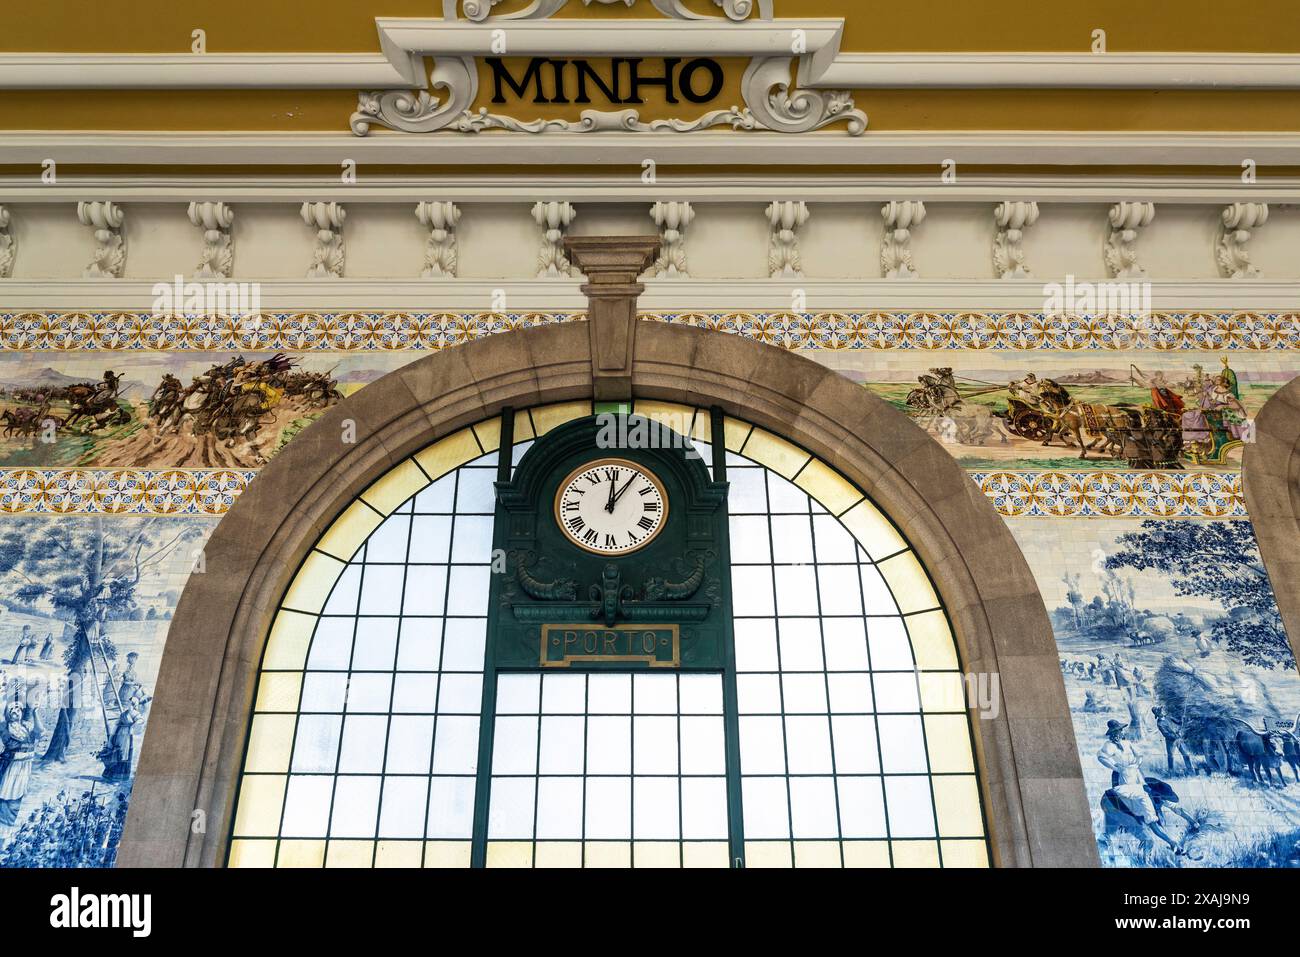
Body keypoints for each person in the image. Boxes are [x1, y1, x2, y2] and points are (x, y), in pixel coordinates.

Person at [1097, 720, 1183, 853]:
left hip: (1134, 772)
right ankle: (1130, 821)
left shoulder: (1127, 743)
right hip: (1123, 775)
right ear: (1111, 734)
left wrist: (1137, 764)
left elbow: (1140, 755)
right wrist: (1115, 767)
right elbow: (1101, 757)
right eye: (1115, 732)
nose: (1118, 734)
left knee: (1141, 791)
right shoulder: (1109, 746)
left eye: (1119, 731)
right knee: (1130, 796)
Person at [0, 689, 46, 829]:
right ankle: (3, 825)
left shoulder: (26, 726)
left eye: (18, 709)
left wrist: (35, 712)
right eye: (12, 709)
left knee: (17, 795)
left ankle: (8, 825)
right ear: (8, 714)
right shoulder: (4, 727)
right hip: (11, 766)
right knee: (7, 795)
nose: (16, 711)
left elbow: (40, 731)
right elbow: (7, 743)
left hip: (24, 767)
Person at [1153, 706, 1195, 775]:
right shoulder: (1159, 723)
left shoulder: (1168, 717)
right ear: (1157, 714)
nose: (1162, 711)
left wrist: (1182, 719)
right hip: (1170, 742)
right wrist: (1174, 736)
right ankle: (1171, 773)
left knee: (1186, 754)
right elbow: (1165, 734)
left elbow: (1179, 722)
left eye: (1162, 710)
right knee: (1171, 757)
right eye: (1160, 711)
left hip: (1178, 739)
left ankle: (1191, 771)